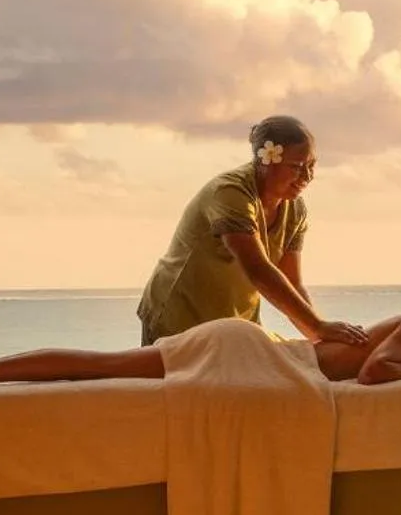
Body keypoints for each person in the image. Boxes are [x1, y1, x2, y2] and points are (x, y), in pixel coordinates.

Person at [0, 312, 401, 410]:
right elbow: (373, 375)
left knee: (102, 365)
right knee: (101, 365)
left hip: (260, 362)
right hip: (249, 355)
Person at [135, 116, 367, 349]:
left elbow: (292, 284)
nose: (307, 177)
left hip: (234, 324)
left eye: (311, 165)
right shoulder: (230, 194)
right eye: (296, 167)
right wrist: (318, 326)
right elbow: (258, 270)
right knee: (178, 383)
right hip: (180, 315)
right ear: (266, 161)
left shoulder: (295, 210)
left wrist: (320, 337)